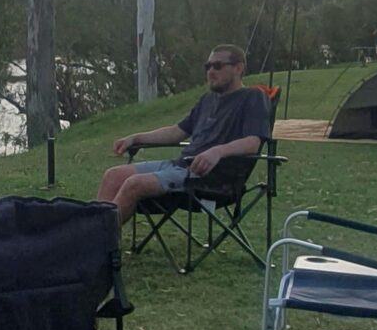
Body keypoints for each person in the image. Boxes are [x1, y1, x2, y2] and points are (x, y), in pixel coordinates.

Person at [97, 45, 271, 225]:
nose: (211, 71)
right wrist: (135, 138)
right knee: (113, 176)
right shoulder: (207, 100)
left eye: (217, 66)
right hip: (180, 167)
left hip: (208, 179)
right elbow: (176, 132)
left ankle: (99, 239)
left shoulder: (253, 97)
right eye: (208, 66)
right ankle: (95, 234)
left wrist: (217, 152)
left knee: (134, 184)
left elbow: (253, 142)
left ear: (238, 68)